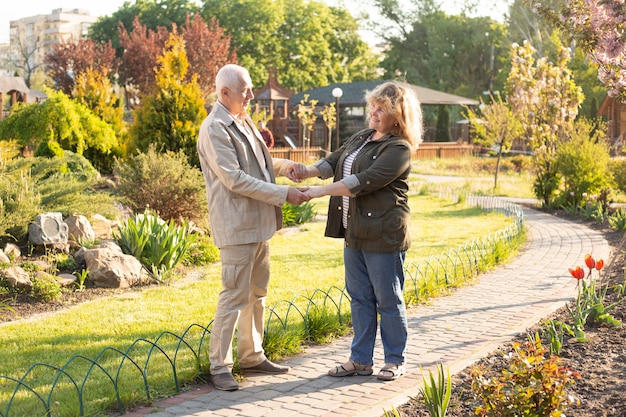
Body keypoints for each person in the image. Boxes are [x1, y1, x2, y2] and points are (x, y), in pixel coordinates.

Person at [290, 81, 423, 381]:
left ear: (398, 116)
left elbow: (363, 180)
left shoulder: (399, 148)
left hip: (384, 236)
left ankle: (394, 360)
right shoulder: (363, 137)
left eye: (381, 110)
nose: (373, 114)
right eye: (372, 107)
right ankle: (360, 360)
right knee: (360, 298)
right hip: (355, 232)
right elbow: (336, 160)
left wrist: (317, 191)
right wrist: (306, 171)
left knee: (388, 299)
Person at [196, 63, 310, 391]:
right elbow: (234, 179)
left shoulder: (242, 121)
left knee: (257, 294)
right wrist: (284, 194)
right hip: (236, 227)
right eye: (245, 90)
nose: (251, 95)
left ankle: (252, 355)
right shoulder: (215, 128)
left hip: (258, 225)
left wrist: (285, 166)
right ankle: (220, 366)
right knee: (233, 295)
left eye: (250, 88)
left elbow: (258, 165)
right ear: (224, 93)